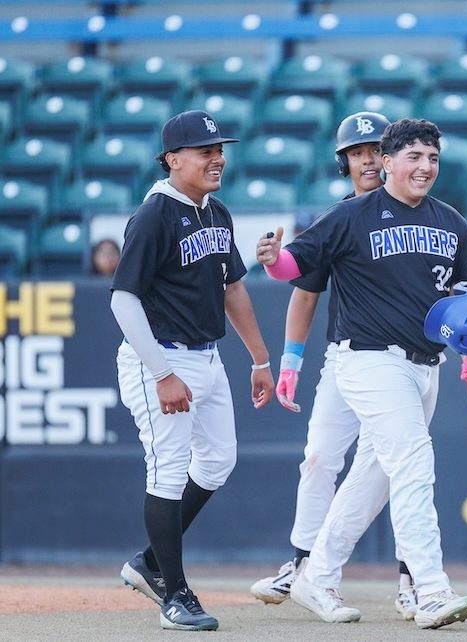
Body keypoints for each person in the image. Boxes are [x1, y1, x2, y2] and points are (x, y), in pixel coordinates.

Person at [256, 118, 467, 630]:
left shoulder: (451, 221)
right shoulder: (352, 215)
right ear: (388, 162)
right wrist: (273, 263)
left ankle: (316, 574)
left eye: (432, 157)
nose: (424, 166)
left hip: (425, 365)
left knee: (370, 479)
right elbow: (296, 270)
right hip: (368, 359)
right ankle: (428, 587)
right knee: (411, 462)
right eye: (414, 157)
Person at [249, 111, 420, 619]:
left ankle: (412, 576)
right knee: (320, 456)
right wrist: (290, 362)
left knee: (400, 465)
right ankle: (304, 565)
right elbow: (303, 293)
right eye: (357, 151)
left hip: (404, 362)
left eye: (375, 149)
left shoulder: (423, 212)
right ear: (344, 162)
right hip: (348, 360)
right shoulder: (338, 217)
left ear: (391, 158)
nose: (367, 158)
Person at [113, 109, 274, 631]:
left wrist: (260, 358)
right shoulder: (154, 215)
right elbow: (122, 301)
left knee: (217, 463)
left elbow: (232, 288)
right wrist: (161, 373)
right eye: (205, 150)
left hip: (207, 356)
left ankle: (150, 562)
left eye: (219, 149)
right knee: (167, 470)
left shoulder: (216, 211)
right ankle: (175, 595)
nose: (217, 157)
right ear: (173, 159)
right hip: (158, 355)